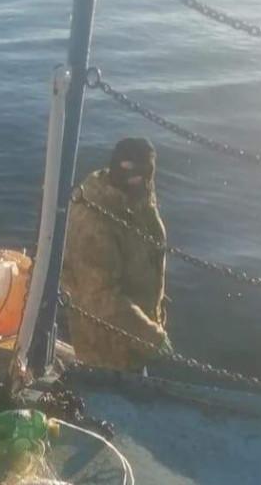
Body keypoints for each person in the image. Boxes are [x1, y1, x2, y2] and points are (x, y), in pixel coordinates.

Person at [62, 138, 171, 371]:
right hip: (106, 347)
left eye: (144, 174)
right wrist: (151, 338)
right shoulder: (94, 221)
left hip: (136, 339)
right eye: (129, 171)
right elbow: (100, 298)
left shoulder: (136, 197)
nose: (137, 179)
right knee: (109, 387)